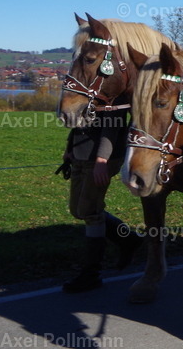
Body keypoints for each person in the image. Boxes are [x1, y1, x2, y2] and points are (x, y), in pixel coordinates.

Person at [58, 111, 142, 293]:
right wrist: (69, 148)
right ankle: (129, 240)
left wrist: (102, 160)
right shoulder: (89, 94)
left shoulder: (113, 96)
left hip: (101, 159)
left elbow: (111, 128)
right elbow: (79, 122)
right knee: (78, 210)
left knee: (90, 212)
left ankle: (91, 274)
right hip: (80, 155)